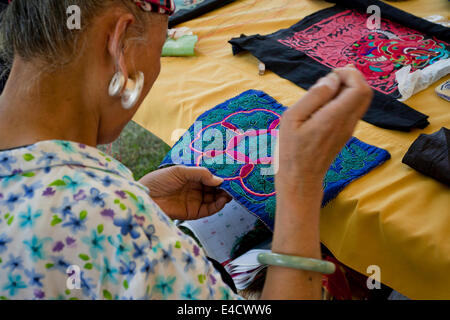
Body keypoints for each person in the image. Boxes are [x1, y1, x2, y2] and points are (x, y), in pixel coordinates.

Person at [0, 0, 372, 300]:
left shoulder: (102, 214)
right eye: (160, 48)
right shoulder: (116, 221)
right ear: (119, 42)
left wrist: (141, 199)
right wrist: (300, 185)